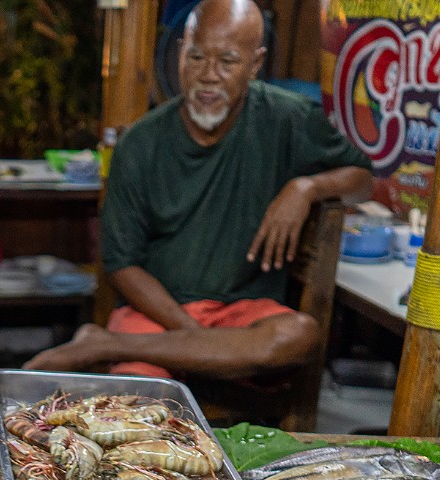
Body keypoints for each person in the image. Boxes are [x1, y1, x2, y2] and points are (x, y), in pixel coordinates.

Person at [24, 0, 371, 381]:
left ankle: (105, 344)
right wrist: (195, 338)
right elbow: (122, 266)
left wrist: (306, 187)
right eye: (196, 57)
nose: (208, 76)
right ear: (179, 54)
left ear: (255, 64)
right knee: (139, 394)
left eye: (227, 61)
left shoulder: (289, 118)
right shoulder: (139, 143)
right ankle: (129, 348)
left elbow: (362, 181)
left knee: (298, 335)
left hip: (242, 314)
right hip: (156, 313)